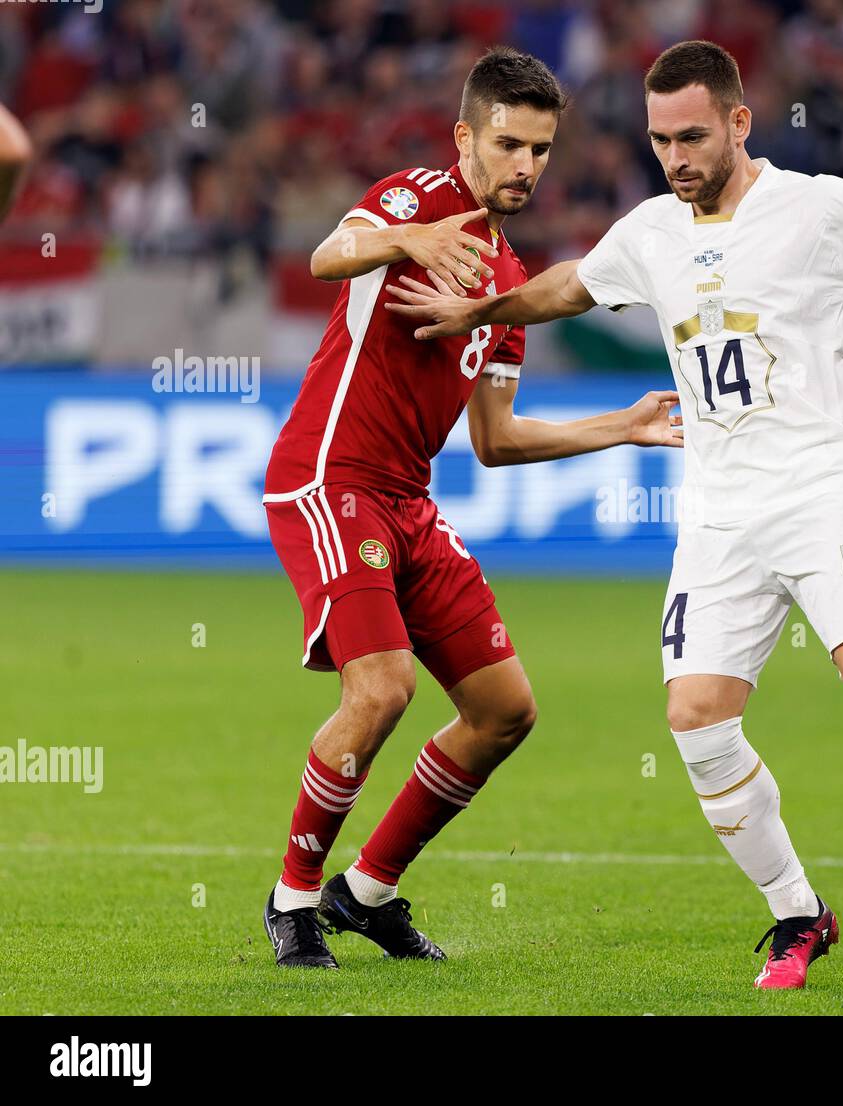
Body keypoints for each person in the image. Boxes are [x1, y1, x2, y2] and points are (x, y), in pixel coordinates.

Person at [388, 40, 843, 990]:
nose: (676, 157)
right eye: (660, 140)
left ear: (740, 123)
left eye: (693, 135)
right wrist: (482, 310)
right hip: (717, 513)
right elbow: (571, 285)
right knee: (696, 718)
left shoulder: (818, 207)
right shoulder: (653, 229)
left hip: (823, 491)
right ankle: (798, 915)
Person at [260, 46, 682, 969]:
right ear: (465, 138)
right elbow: (330, 253)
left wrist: (622, 424)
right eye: (507, 144)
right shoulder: (413, 198)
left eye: (540, 148)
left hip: (408, 503)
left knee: (505, 711)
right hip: (331, 480)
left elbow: (494, 440)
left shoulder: (507, 285)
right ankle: (291, 900)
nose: (525, 164)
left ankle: (365, 892)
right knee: (383, 688)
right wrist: (403, 239)